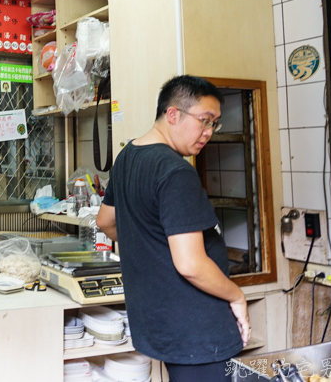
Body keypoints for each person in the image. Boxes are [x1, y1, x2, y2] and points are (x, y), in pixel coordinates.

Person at [96, 75, 250, 382]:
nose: (208, 133)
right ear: (173, 114)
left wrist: (151, 250)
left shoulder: (128, 156)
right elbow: (190, 264)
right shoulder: (175, 171)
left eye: (214, 124)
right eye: (204, 121)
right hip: (197, 329)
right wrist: (237, 297)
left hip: (161, 322)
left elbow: (106, 222)